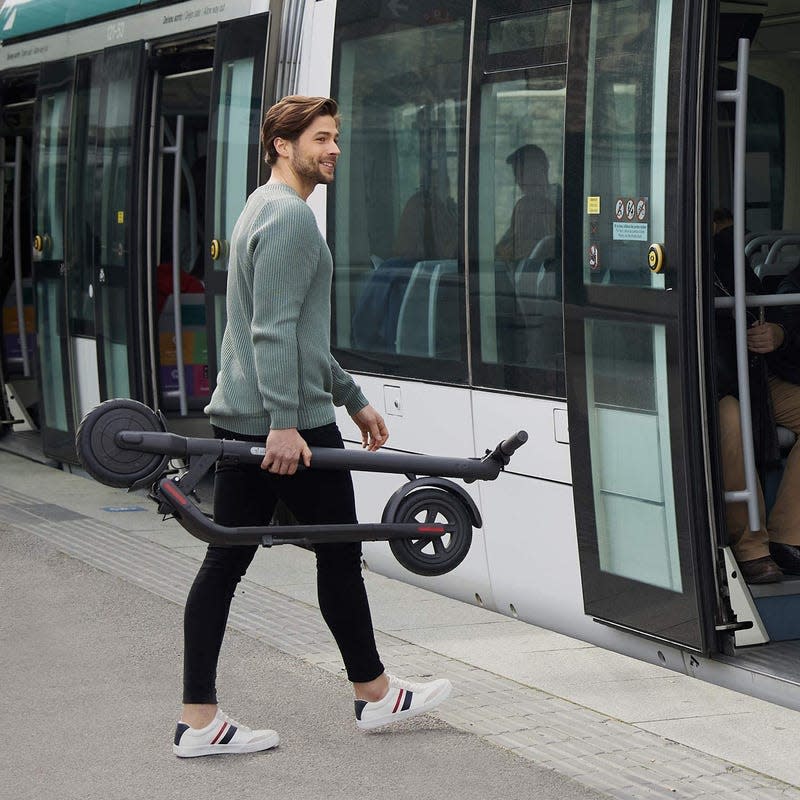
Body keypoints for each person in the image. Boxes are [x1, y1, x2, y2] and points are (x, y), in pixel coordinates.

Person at [172, 96, 452, 758]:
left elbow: (289, 333)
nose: (332, 150)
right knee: (337, 556)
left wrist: (351, 397)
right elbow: (272, 332)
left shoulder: (258, 207)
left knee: (226, 563)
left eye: (335, 139)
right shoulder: (291, 219)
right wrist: (283, 424)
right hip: (288, 427)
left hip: (260, 418)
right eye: (320, 139)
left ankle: (199, 719)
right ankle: (375, 693)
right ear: (282, 145)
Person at [713, 208, 800, 583]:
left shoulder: (729, 262)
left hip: (755, 375)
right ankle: (751, 547)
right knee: (731, 418)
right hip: (712, 385)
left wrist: (778, 334)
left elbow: (762, 307)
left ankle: (787, 535)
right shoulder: (671, 265)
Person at [495, 144, 556, 262]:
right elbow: (509, 240)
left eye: (522, 173)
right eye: (517, 175)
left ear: (541, 171)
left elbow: (522, 251)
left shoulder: (533, 206)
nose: (518, 181)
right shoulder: (525, 205)